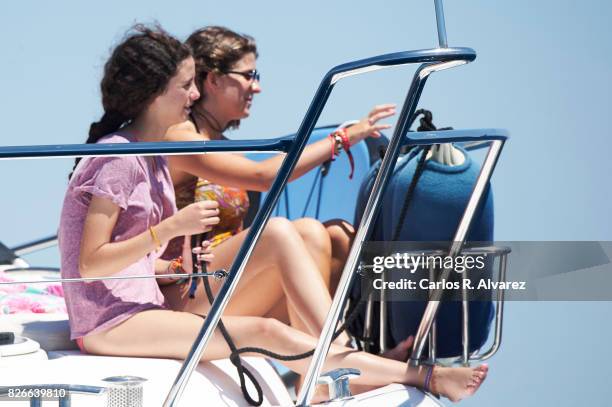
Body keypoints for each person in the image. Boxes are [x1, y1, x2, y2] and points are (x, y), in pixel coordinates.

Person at [57, 24, 487, 403]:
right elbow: (90, 263)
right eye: (185, 85)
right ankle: (412, 374)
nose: (193, 94)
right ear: (153, 92)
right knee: (272, 305)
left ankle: (350, 368)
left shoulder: (147, 154)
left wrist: (172, 265)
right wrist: (171, 229)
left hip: (151, 299)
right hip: (111, 322)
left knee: (320, 237)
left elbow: (131, 261)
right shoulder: (120, 157)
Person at [162, 26, 393, 342]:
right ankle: (337, 354)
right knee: (291, 231)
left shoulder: (220, 143)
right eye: (248, 75)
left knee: (334, 234)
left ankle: (315, 377)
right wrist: (341, 139)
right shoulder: (181, 138)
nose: (256, 87)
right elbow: (265, 176)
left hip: (224, 283)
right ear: (213, 79)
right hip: (190, 293)